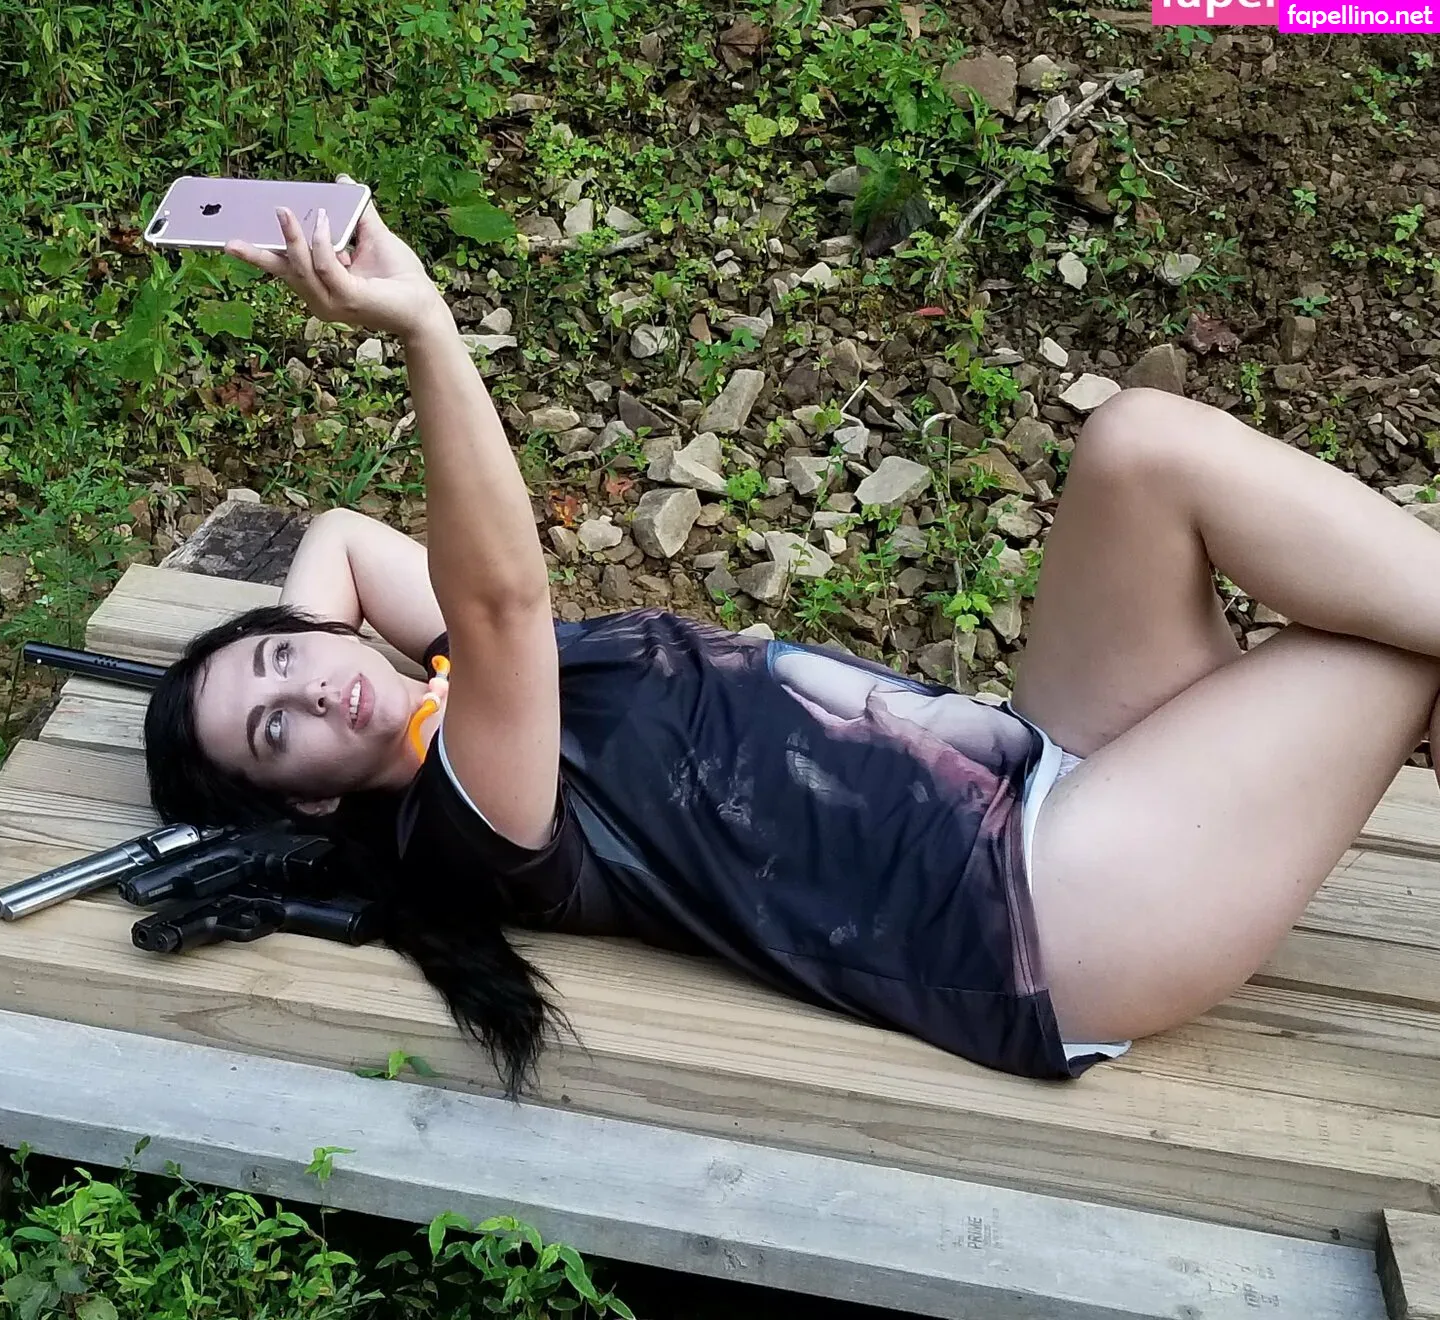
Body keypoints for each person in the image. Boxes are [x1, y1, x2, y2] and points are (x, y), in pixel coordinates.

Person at [143, 181, 1440, 1096]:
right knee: (1382, 648)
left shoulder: (426, 688)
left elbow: (345, 540)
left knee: (1139, 446)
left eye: (284, 662)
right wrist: (424, 326)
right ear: (306, 805)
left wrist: (284, 652)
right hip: (1046, 913)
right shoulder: (465, 822)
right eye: (276, 735)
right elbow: (501, 604)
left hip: (1023, 773)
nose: (312, 694)